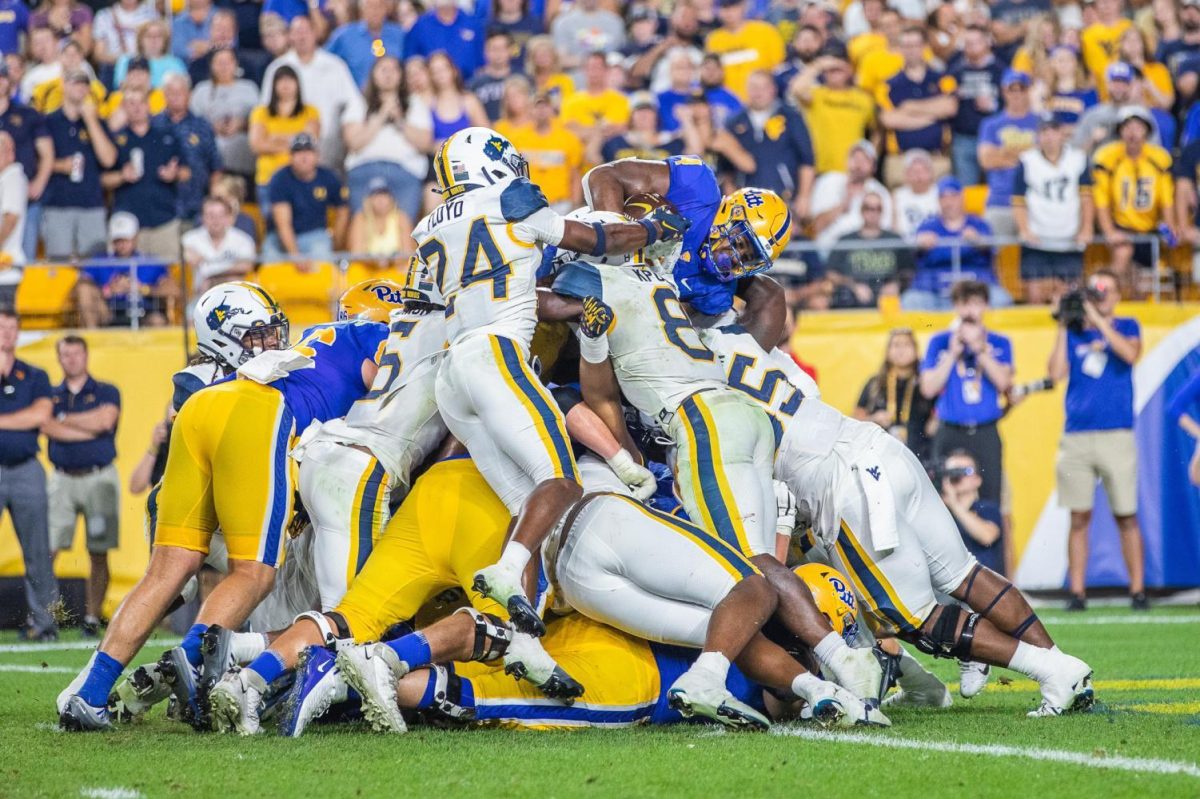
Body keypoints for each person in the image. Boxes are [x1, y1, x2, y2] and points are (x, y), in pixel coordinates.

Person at [704, 316, 1096, 720]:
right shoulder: (742, 341)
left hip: (842, 482)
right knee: (965, 575)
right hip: (877, 446)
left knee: (914, 619)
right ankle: (1065, 668)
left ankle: (1053, 670)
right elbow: (772, 304)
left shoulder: (698, 386)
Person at [55, 285, 387, 733]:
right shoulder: (375, 336)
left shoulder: (289, 352)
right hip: (258, 417)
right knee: (253, 574)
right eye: (258, 336)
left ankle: (88, 692)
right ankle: (191, 663)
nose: (271, 343)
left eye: (273, 333)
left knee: (166, 572)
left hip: (204, 417)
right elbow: (383, 394)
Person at [412, 127, 686, 637]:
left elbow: (507, 282)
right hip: (497, 355)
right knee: (560, 481)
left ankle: (520, 636)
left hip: (452, 375)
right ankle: (504, 574)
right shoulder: (511, 197)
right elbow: (596, 238)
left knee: (525, 511)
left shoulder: (428, 226)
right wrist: (652, 231)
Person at [1047, 269, 1147, 612]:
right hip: (1076, 436)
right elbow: (1055, 373)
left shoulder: (1128, 325)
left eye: (1107, 289)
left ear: (1118, 295)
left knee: (1127, 515)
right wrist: (1063, 322)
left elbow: (1130, 354)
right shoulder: (1074, 332)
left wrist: (1098, 320)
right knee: (1079, 517)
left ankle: (1138, 591)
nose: (1101, 295)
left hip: (1116, 434)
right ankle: (1077, 593)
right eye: (1096, 290)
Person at [42, 334, 121, 638]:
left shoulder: (106, 390)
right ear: (59, 358)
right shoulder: (49, 394)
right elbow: (46, 425)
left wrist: (63, 422)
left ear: (86, 356)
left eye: (76, 353)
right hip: (62, 478)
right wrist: (84, 426)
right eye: (66, 354)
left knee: (98, 551)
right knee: (47, 549)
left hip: (98, 478)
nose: (71, 359)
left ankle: (91, 617)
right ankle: (45, 617)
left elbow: (106, 422)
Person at [919, 279, 1013, 505]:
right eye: (965, 304)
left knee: (991, 498)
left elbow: (1004, 384)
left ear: (986, 306)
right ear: (956, 307)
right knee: (941, 498)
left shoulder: (1000, 342)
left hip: (985, 431)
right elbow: (928, 388)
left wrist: (980, 351)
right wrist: (952, 354)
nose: (970, 310)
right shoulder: (939, 342)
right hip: (950, 430)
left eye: (977, 303)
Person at [0, 309, 59, 641]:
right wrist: (17, 418)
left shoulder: (34, 375)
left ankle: (44, 624)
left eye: (12, 328)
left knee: (38, 552)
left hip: (26, 468)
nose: (6, 333)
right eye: (1, 327)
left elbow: (41, 415)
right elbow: (30, 416)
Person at [259, 15, 362, 170]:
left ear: (315, 33)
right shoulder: (277, 68)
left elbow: (354, 103)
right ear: (290, 36)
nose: (301, 36)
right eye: (296, 32)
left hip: (330, 146)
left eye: (305, 31)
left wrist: (349, 129)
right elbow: (264, 109)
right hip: (286, 150)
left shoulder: (335, 66)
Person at [1093, 105, 1176, 292]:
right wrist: (1109, 231)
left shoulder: (1159, 158)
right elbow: (1101, 199)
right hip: (1121, 226)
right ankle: (1103, 293)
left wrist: (1169, 225)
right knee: (1123, 254)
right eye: (1127, 127)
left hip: (1149, 229)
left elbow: (1167, 198)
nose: (1132, 133)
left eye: (1138, 127)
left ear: (1146, 130)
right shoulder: (1108, 157)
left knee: (1143, 285)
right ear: (1120, 131)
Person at [1012, 112, 1093, 304]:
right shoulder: (1027, 161)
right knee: (1035, 297)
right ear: (1038, 135)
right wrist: (1024, 229)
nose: (1049, 136)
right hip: (1037, 239)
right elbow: (1018, 200)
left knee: (1069, 299)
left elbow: (1086, 197)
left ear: (1062, 133)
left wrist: (1086, 228)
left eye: (1054, 130)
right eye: (1044, 131)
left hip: (1069, 239)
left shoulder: (1078, 159)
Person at [341, 56, 432, 220]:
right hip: (364, 169)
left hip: (405, 171)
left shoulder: (414, 102)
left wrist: (399, 120)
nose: (388, 74)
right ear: (373, 75)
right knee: (362, 225)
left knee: (405, 227)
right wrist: (382, 115)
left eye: (393, 70)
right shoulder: (358, 102)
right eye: (383, 70)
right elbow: (353, 142)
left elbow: (425, 143)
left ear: (401, 75)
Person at [101, 88, 187, 261]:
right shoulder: (115, 140)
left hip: (164, 221)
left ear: (148, 106)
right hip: (127, 227)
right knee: (127, 277)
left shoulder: (167, 136)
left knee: (167, 276)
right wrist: (121, 176)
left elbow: (187, 172)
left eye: (141, 103)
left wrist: (174, 174)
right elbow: (102, 180)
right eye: (131, 104)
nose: (137, 108)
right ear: (123, 107)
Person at [904, 177, 1011, 310]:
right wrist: (918, 243)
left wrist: (978, 241)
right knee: (911, 301)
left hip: (975, 289)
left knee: (1000, 299)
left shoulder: (978, 224)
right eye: (943, 197)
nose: (949, 202)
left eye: (953, 196)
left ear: (961, 198)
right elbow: (910, 253)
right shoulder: (927, 226)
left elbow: (992, 249)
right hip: (934, 290)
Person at [725, 69, 814, 223]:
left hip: (785, 197)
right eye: (753, 87)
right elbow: (727, 170)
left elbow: (807, 159)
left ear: (773, 89)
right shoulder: (734, 122)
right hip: (747, 201)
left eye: (763, 87)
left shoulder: (791, 117)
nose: (757, 92)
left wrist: (804, 196)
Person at [877, 26, 958, 187]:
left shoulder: (943, 79)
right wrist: (933, 116)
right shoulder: (888, 84)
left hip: (937, 159)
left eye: (915, 45)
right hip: (899, 161)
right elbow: (889, 120)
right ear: (899, 49)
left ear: (924, 47)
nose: (911, 50)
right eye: (906, 46)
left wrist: (909, 107)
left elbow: (950, 107)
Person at [495, 82, 583, 213]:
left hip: (562, 205)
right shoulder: (517, 139)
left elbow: (575, 175)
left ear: (551, 109)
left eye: (545, 105)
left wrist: (575, 205)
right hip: (528, 204)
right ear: (530, 109)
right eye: (537, 106)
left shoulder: (568, 138)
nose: (541, 110)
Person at [789, 47, 876, 175]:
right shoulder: (817, 95)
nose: (833, 74)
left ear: (849, 70)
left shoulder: (863, 99)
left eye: (838, 70)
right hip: (821, 169)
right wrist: (819, 65)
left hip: (853, 171)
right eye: (829, 71)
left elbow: (876, 130)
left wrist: (870, 158)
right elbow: (796, 89)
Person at [76, 212, 172, 327]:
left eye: (125, 239)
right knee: (84, 289)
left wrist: (142, 288)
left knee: (157, 321)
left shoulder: (150, 262)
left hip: (143, 313)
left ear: (135, 237)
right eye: (117, 240)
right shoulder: (99, 261)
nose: (121, 244)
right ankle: (92, 339)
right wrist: (107, 290)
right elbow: (81, 287)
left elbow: (173, 289)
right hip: (108, 313)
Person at [853, 327, 934, 462]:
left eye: (906, 345)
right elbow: (856, 420)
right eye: (896, 345)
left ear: (916, 350)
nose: (901, 350)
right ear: (888, 351)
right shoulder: (875, 383)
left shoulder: (927, 384)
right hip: (881, 456)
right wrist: (873, 419)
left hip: (920, 455)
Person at [264, 133, 348, 261]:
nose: (303, 157)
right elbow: (283, 224)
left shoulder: (329, 177)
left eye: (308, 151)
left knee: (322, 255)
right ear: (290, 157)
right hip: (280, 237)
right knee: (270, 256)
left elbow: (343, 210)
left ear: (317, 155)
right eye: (298, 152)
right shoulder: (279, 179)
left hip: (315, 234)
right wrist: (296, 256)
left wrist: (337, 243)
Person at [824, 190, 912, 308]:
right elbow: (831, 273)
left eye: (878, 208)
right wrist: (853, 285)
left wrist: (896, 284)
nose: (873, 212)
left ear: (882, 211)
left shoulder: (894, 239)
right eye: (868, 208)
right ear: (861, 211)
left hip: (887, 300)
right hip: (852, 300)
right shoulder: (846, 240)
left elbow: (909, 271)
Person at [0, 62, 52, 262]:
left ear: (8, 80)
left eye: (2, 77)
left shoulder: (27, 114)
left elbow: (47, 153)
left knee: (23, 256)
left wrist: (39, 181)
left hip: (24, 194)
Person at [248, 65, 319, 208]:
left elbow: (310, 143)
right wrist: (295, 140)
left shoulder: (310, 112)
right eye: (281, 80)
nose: (285, 84)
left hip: (301, 178)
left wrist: (274, 138)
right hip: (268, 178)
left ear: (297, 84)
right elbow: (256, 145)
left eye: (290, 80)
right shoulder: (260, 112)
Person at [158, 73, 220, 225]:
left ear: (189, 94)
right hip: (159, 209)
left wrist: (212, 202)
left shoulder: (202, 126)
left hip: (196, 207)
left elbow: (216, 166)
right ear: (164, 95)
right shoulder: (153, 125)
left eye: (180, 92)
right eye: (171, 92)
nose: (176, 97)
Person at [189, 47, 259, 181]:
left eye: (228, 62)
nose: (224, 67)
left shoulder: (250, 88)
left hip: (243, 157)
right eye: (219, 62)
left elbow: (261, 121)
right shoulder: (201, 90)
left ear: (235, 64)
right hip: (209, 159)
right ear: (211, 65)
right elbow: (191, 124)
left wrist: (242, 124)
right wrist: (210, 128)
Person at [947, 25, 1004, 185]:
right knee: (966, 192)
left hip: (994, 138)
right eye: (967, 42)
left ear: (987, 42)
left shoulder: (1001, 70)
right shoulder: (955, 71)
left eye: (976, 42)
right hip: (963, 138)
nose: (971, 47)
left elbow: (1013, 103)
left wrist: (994, 106)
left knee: (996, 189)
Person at [810, 139, 890, 252]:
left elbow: (884, 232)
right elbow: (815, 228)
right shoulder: (828, 182)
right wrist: (842, 206)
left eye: (865, 160)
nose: (858, 164)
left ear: (874, 167)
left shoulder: (880, 192)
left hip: (865, 252)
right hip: (828, 250)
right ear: (847, 161)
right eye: (855, 158)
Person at [1072, 62, 1163, 154]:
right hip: (1099, 166)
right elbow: (1076, 154)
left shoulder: (1142, 115)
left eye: (1123, 83)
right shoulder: (1092, 115)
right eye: (1115, 83)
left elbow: (1155, 151)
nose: (1119, 87)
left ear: (1130, 86)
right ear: (1107, 85)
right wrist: (1092, 140)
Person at [940, 448, 1005, 575]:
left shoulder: (987, 508)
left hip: (983, 585)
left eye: (966, 471)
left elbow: (987, 536)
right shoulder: (940, 514)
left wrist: (955, 505)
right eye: (952, 471)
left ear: (977, 479)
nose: (958, 476)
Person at [704, 0, 785, 101]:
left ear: (744, 6)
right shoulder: (713, 40)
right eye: (724, 8)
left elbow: (778, 69)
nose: (729, 12)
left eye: (734, 7)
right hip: (729, 104)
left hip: (763, 101)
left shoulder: (766, 32)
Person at [560, 51, 631, 154]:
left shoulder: (620, 100)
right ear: (584, 70)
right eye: (590, 68)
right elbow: (568, 131)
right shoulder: (571, 101)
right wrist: (600, 130)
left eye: (598, 68)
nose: (593, 72)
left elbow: (621, 128)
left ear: (606, 70)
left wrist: (585, 129)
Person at [181, 195, 255, 291]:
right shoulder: (189, 239)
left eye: (221, 215)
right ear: (203, 217)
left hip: (234, 295)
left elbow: (246, 266)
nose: (216, 220)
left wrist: (213, 278)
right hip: (198, 297)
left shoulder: (243, 240)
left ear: (229, 217)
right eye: (211, 215)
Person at [325, 0, 404, 88]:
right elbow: (324, 60)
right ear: (361, 10)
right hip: (356, 96)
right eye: (370, 6)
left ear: (386, 9)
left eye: (379, 6)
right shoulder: (344, 35)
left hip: (396, 97)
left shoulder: (399, 34)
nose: (375, 11)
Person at [403, 0, 484, 79]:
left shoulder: (473, 24)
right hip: (432, 89)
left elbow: (483, 61)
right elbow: (411, 62)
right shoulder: (419, 27)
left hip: (469, 85)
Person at [598, 91, 683, 164]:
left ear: (656, 115)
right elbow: (594, 159)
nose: (644, 115)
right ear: (631, 116)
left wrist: (687, 121)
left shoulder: (670, 140)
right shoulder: (616, 142)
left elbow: (693, 153)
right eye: (639, 110)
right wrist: (599, 130)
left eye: (648, 110)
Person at [346, 177, 413, 259]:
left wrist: (389, 262)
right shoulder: (360, 218)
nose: (381, 200)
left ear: (391, 198)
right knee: (355, 269)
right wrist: (376, 262)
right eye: (376, 195)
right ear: (368, 200)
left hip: (395, 268)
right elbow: (356, 253)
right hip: (368, 268)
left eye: (384, 195)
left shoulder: (401, 218)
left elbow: (407, 253)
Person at [1035, 45, 1098, 129]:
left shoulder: (1088, 92)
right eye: (1060, 60)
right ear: (1052, 63)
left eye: (1069, 60)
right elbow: (1037, 119)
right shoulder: (1043, 91)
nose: (1064, 64)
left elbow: (1093, 123)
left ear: (1076, 63)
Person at [112, 19, 186, 89]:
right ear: (140, 39)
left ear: (165, 40)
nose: (153, 40)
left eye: (158, 36)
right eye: (148, 36)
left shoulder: (176, 63)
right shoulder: (126, 60)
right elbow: (120, 85)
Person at [550, 0, 624, 69]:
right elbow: (560, 60)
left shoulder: (615, 22)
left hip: (609, 74)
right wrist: (589, 62)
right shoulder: (563, 22)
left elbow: (621, 55)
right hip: (575, 73)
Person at [1081, 0, 1132, 97]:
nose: (1106, 4)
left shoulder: (1130, 28)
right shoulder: (1087, 36)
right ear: (1096, 5)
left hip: (1128, 94)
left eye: (1110, 1)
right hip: (1100, 96)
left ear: (1120, 2)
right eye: (1101, 1)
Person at [468, 30, 520, 123]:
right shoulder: (473, 84)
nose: (498, 54)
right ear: (485, 52)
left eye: (502, 49)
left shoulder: (521, 79)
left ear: (510, 50)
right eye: (494, 49)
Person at [0, 131, 28, 292]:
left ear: (10, 153)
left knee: (5, 317)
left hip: (6, 271)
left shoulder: (13, 176)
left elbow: (10, 220)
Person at [92, 0, 158, 68]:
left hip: (147, 67)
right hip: (113, 68)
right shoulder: (104, 15)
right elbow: (98, 55)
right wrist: (124, 61)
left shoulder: (151, 14)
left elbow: (160, 50)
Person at [891, 148, 938, 240]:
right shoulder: (897, 196)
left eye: (923, 171)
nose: (919, 176)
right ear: (906, 174)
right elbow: (893, 229)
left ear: (931, 173)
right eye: (914, 171)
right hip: (905, 248)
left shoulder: (940, 193)